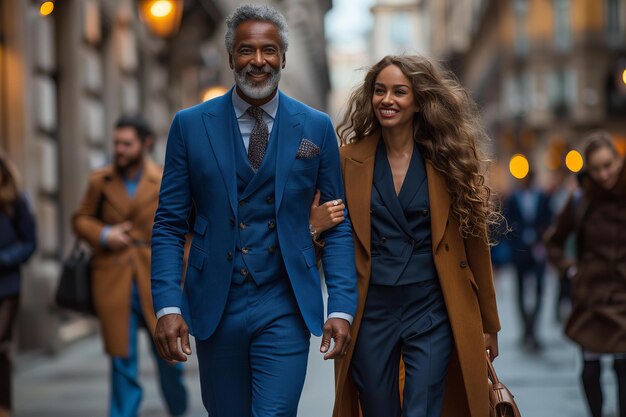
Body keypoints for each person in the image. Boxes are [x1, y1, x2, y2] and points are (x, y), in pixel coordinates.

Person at [150, 4, 357, 417]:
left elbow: (337, 223)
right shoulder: (190, 126)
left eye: (268, 50)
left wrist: (340, 306)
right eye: (246, 50)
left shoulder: (315, 128)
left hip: (285, 301)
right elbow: (170, 225)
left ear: (283, 57)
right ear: (230, 57)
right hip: (215, 303)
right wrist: (168, 306)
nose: (258, 61)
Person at [310, 54, 501, 417]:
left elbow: (475, 244)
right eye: (380, 91)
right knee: (377, 409)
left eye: (400, 91)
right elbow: (331, 236)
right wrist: (316, 225)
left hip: (431, 308)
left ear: (418, 101)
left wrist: (489, 324)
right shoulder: (347, 160)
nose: (387, 100)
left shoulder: (449, 158)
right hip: (371, 310)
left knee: (423, 408)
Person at [72, 116, 187, 417]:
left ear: (145, 144)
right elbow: (80, 219)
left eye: (127, 144)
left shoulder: (164, 178)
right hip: (113, 278)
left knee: (169, 358)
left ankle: (178, 408)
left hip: (155, 278)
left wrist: (185, 275)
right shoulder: (101, 180)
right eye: (116, 143)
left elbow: (183, 230)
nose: (119, 150)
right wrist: (104, 234)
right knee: (122, 360)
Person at [545, 131, 626, 417]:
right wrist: (570, 270)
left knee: (623, 367)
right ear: (588, 171)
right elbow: (553, 241)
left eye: (609, 165)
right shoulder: (580, 200)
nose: (604, 174)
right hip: (590, 296)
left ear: (618, 160)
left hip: (623, 296)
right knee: (590, 372)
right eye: (596, 169)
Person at [0, 152, 36, 417]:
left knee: (0, 345)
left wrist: (5, 258)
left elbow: (30, 242)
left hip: (6, 287)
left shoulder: (15, 201)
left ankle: (4, 407)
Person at [504, 171, 552, 350]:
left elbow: (549, 220)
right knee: (520, 291)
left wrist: (542, 240)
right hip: (520, 252)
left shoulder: (543, 197)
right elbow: (506, 223)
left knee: (540, 289)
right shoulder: (513, 198)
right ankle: (525, 329)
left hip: (538, 250)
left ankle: (534, 328)